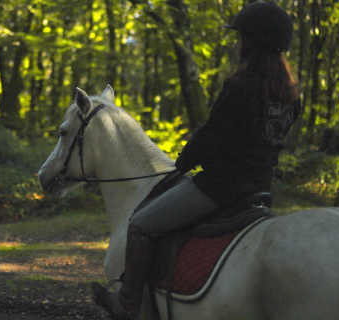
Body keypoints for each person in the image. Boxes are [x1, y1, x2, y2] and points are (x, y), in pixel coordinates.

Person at [91, 2, 301, 319]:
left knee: (140, 226)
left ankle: (128, 302)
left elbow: (212, 139)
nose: (237, 43)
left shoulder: (239, 86)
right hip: (260, 190)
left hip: (218, 189)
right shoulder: (291, 94)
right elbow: (249, 135)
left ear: (252, 41)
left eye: (241, 37)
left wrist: (183, 161)